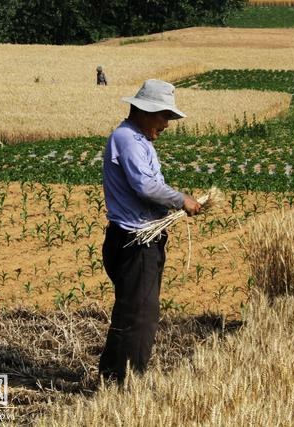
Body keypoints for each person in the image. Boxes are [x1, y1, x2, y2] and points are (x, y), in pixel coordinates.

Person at [98, 79, 202, 385]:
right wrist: (181, 199)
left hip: (137, 239)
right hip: (135, 242)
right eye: (164, 116)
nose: (167, 124)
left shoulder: (137, 140)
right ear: (145, 111)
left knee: (130, 312)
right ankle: (128, 384)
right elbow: (145, 186)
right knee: (141, 317)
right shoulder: (128, 139)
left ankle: (112, 379)